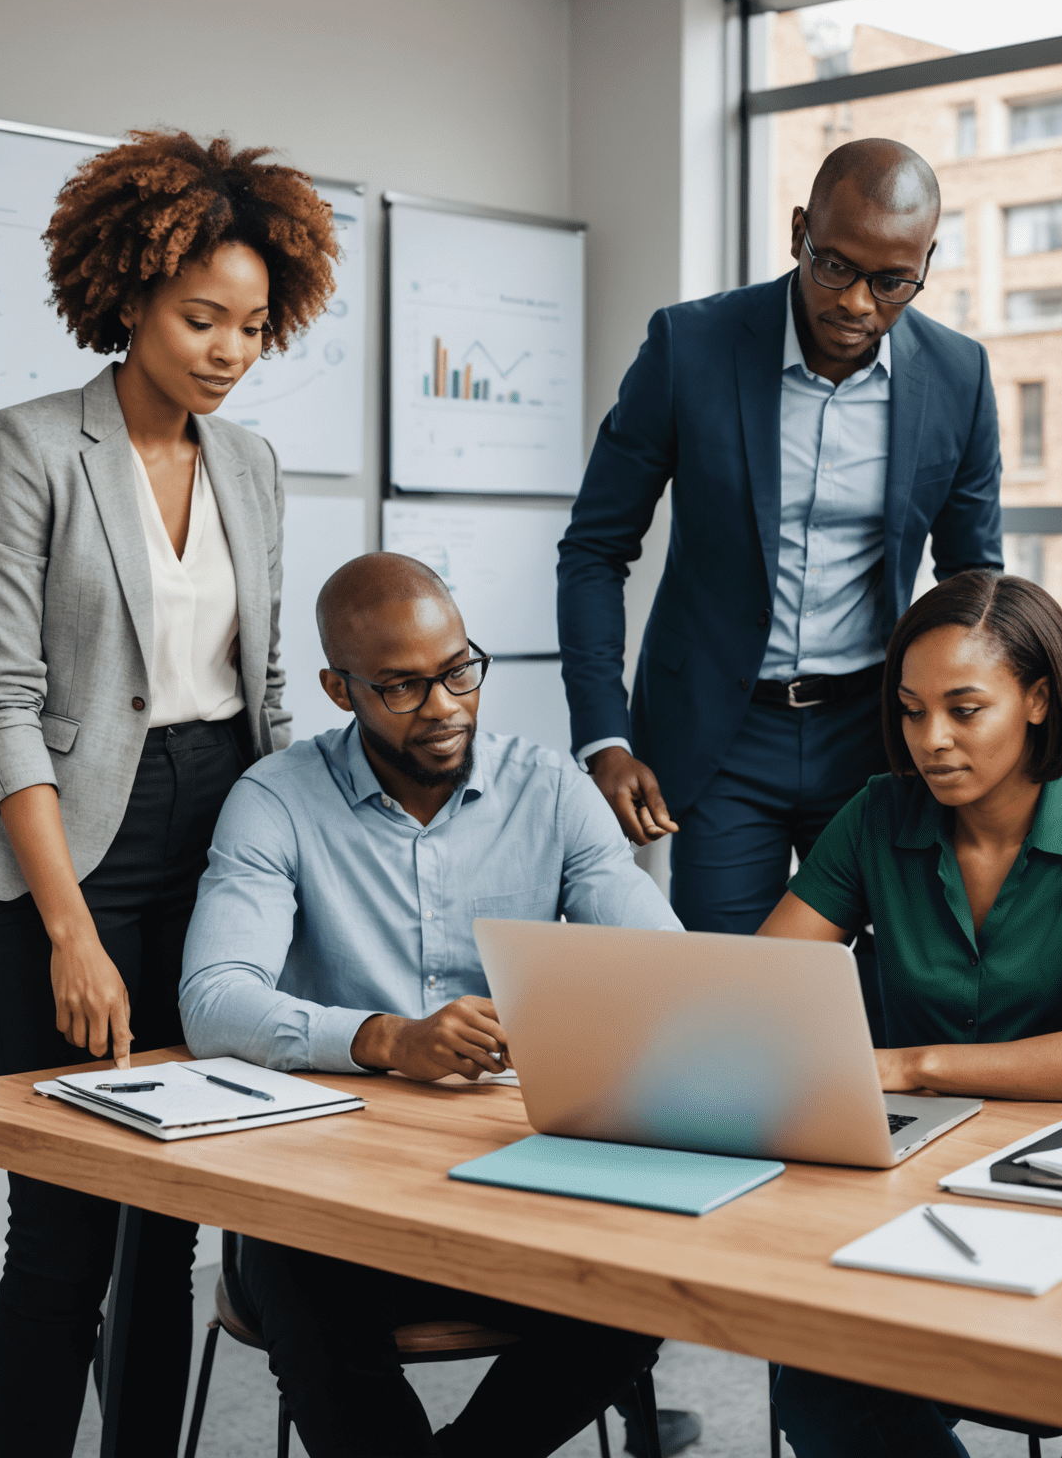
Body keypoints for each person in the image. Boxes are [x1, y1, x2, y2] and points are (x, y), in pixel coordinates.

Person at [0, 130, 337, 1458]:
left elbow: (270, 687)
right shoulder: (28, 449)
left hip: (217, 831)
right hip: (62, 849)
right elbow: (0, 700)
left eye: (251, 325)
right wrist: (68, 929)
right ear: (125, 297)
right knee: (62, 1218)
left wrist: (318, 864)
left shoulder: (253, 467)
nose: (230, 350)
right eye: (200, 319)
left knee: (173, 1212)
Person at [178, 552, 677, 1458]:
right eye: (403, 688)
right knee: (317, 1315)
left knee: (648, 1281)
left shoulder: (552, 790)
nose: (445, 707)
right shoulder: (276, 800)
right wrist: (386, 1040)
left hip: (513, 1182)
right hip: (331, 1198)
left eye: (457, 672)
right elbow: (214, 1001)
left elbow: (667, 973)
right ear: (340, 688)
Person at [759, 569, 1062, 1458]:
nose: (931, 741)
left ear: (1036, 698)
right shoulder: (878, 815)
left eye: (963, 709)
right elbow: (760, 990)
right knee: (820, 1382)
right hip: (911, 1176)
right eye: (912, 711)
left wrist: (906, 1065)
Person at [557, 137, 1002, 950]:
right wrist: (605, 737)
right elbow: (595, 549)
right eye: (833, 266)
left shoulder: (959, 376)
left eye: (892, 281)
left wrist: (980, 728)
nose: (858, 304)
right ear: (799, 230)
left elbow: (975, 579)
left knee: (890, 978)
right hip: (722, 738)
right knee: (729, 992)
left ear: (926, 264)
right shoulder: (688, 348)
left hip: (876, 732)